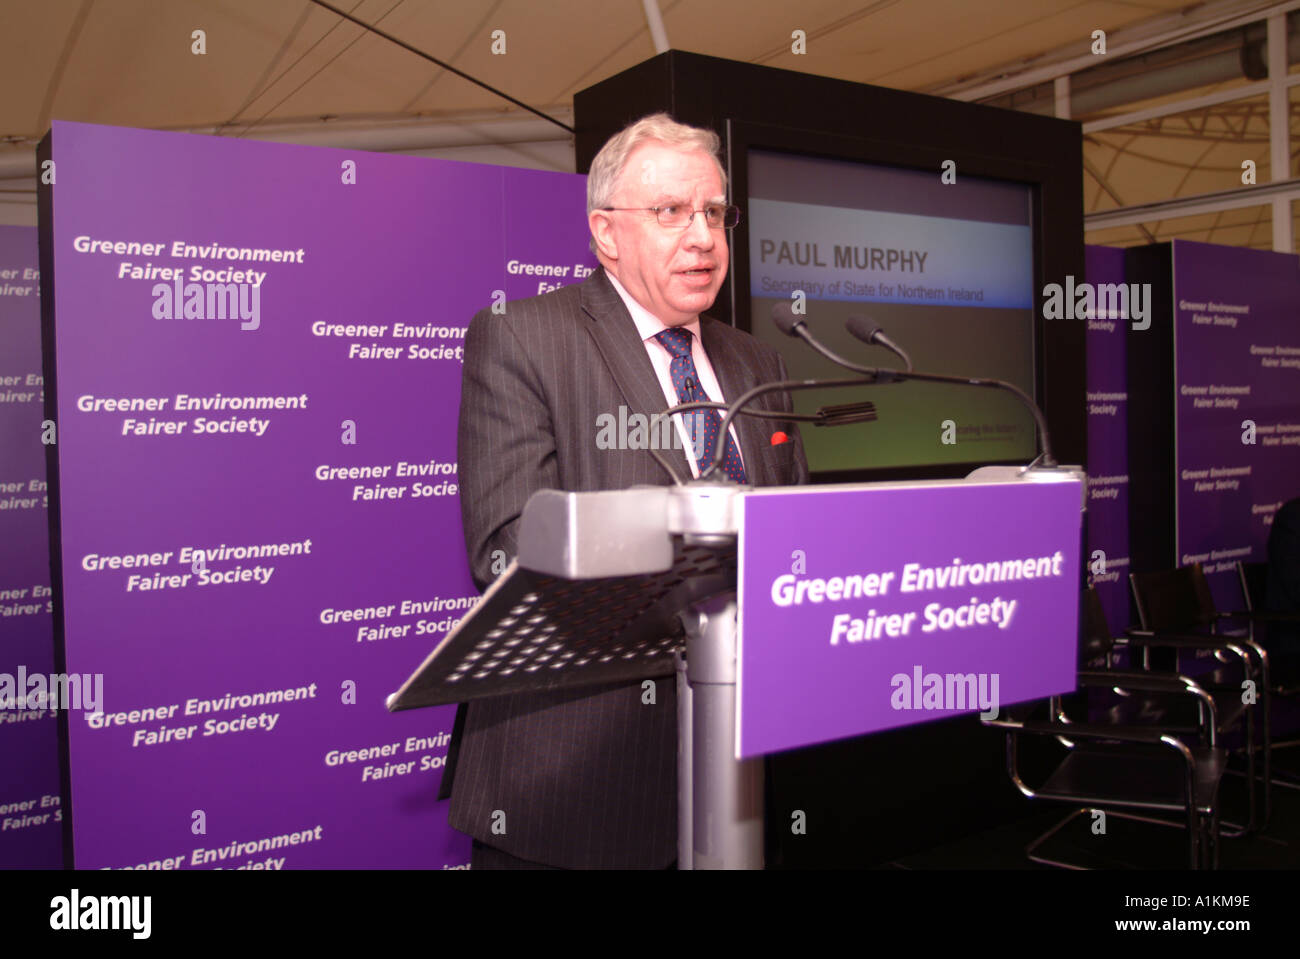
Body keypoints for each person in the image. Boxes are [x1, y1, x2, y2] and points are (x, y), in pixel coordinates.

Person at [442, 113, 809, 869]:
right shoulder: (524, 339)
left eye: (714, 211)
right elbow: (510, 550)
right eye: (672, 211)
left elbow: (795, 530)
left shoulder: (759, 363)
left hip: (738, 771)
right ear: (606, 233)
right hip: (574, 786)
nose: (702, 236)